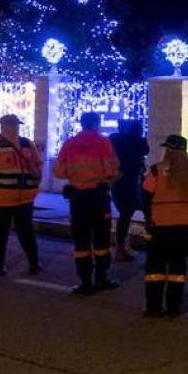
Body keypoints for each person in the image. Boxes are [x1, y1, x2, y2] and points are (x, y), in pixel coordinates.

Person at [54, 112, 121, 294]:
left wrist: (76, 176)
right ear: (97, 124)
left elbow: (58, 171)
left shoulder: (70, 143)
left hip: (78, 199)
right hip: (98, 197)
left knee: (81, 240)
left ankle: (85, 282)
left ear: (81, 123)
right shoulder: (103, 142)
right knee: (101, 238)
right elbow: (113, 169)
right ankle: (102, 278)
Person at [141, 134, 188, 318]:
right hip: (185, 225)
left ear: (168, 150)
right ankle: (173, 308)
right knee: (178, 266)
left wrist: (149, 218)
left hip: (159, 224)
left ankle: (153, 307)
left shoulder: (156, 170)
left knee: (155, 266)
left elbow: (145, 197)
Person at [0, 114, 43, 277]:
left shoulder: (27, 144)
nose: (15, 128)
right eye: (12, 125)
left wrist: (34, 185)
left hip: (25, 198)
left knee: (26, 232)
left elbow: (38, 164)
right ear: (3, 125)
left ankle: (34, 263)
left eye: (17, 125)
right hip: (1, 200)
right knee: (1, 233)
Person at [109, 119, 150, 262]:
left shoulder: (115, 139)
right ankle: (121, 248)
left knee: (126, 214)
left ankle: (121, 246)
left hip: (118, 181)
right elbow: (145, 150)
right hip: (130, 181)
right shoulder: (138, 141)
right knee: (128, 214)